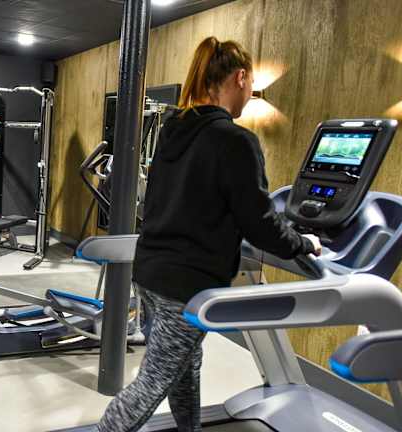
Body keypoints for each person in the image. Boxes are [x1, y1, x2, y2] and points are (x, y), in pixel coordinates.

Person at [97, 36, 322, 432]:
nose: (250, 95)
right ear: (240, 78)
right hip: (185, 283)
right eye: (251, 85)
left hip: (150, 271)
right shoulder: (235, 140)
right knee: (153, 382)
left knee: (185, 366)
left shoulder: (174, 129)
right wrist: (304, 244)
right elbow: (260, 223)